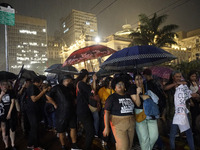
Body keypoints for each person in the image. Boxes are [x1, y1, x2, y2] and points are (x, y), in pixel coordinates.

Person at [46, 75, 80, 150]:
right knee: (61, 130)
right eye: (69, 80)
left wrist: (74, 101)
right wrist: (54, 104)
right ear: (64, 80)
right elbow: (48, 96)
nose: (70, 81)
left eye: (70, 80)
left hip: (72, 111)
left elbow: (74, 97)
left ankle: (74, 144)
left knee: (73, 127)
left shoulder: (70, 88)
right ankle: (63, 145)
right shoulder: (57, 87)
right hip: (62, 112)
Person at [164, 70, 195, 150]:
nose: (178, 78)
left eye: (180, 76)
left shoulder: (184, 84)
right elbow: (165, 88)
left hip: (184, 112)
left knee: (188, 133)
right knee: (173, 134)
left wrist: (192, 98)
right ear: (173, 77)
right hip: (174, 113)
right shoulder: (170, 85)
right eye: (177, 76)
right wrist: (175, 84)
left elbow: (188, 94)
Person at [103, 77, 135, 150]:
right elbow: (106, 112)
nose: (120, 85)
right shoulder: (111, 97)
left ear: (125, 87)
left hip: (131, 124)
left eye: (122, 84)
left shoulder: (129, 96)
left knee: (129, 146)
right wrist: (106, 127)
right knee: (123, 147)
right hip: (118, 125)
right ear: (115, 87)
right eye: (118, 84)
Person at [129, 73, 158, 150]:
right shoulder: (132, 89)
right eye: (137, 79)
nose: (139, 81)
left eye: (140, 79)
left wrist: (146, 96)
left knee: (154, 136)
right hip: (139, 113)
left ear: (143, 79)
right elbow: (138, 103)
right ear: (134, 81)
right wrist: (138, 94)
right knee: (144, 138)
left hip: (151, 112)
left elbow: (154, 98)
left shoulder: (147, 86)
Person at [26, 77, 48, 150]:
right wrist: (43, 92)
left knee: (34, 128)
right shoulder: (32, 87)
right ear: (38, 82)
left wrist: (42, 89)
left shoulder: (35, 87)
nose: (42, 83)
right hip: (32, 111)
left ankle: (30, 144)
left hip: (35, 110)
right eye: (41, 82)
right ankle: (36, 146)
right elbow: (34, 99)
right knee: (35, 128)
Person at [75, 69, 95, 150]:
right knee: (90, 131)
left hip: (81, 109)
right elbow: (92, 92)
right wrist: (94, 80)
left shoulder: (79, 83)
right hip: (84, 110)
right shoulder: (82, 84)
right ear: (86, 76)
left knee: (88, 129)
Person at [0, 80, 17, 150]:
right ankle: (6, 145)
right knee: (4, 129)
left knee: (12, 129)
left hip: (11, 113)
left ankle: (13, 144)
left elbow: (13, 102)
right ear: (0, 86)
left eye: (6, 84)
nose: (5, 86)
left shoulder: (11, 91)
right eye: (3, 84)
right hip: (2, 113)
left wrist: (9, 113)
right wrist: (1, 96)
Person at [98, 77, 114, 149]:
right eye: (110, 83)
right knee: (105, 126)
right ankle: (104, 141)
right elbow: (100, 101)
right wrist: (108, 103)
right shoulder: (102, 90)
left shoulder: (114, 90)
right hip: (105, 110)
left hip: (113, 111)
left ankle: (110, 140)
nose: (111, 84)